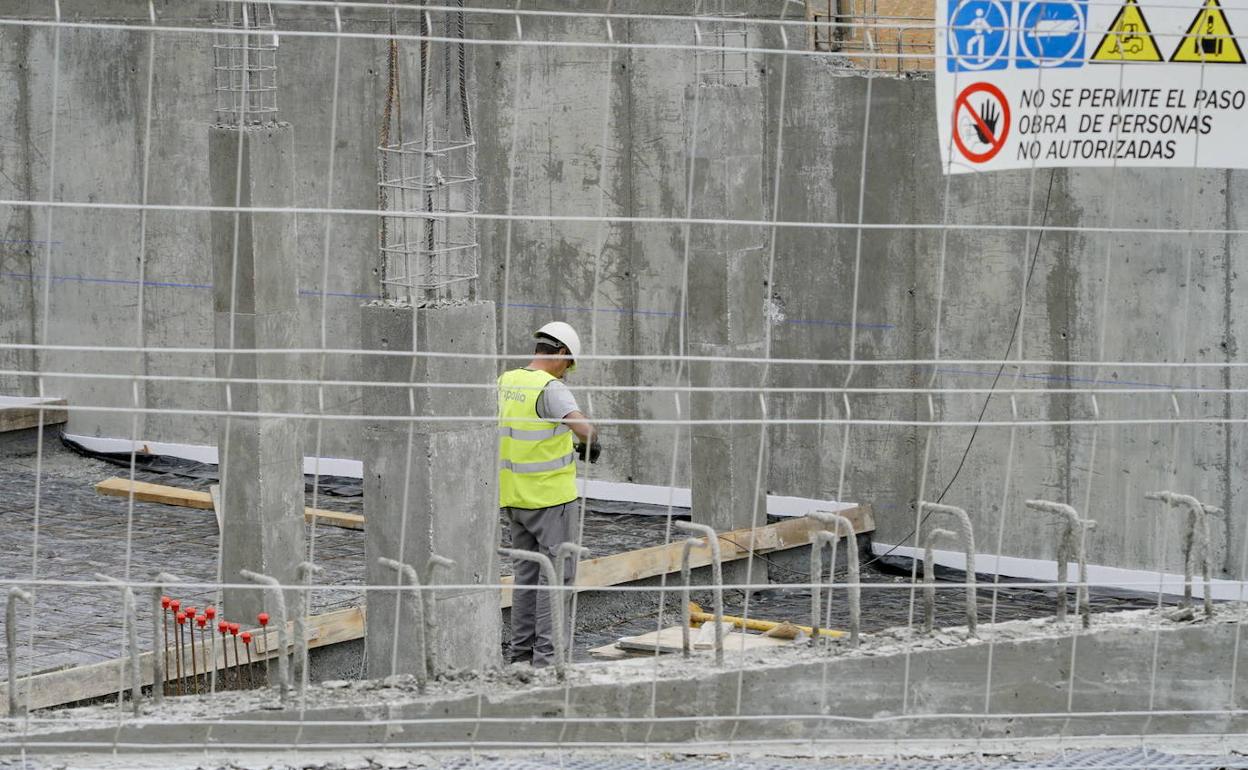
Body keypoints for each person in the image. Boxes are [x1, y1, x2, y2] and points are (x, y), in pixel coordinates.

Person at [498, 321, 599, 667]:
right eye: (568, 364)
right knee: (556, 578)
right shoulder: (550, 388)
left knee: (526, 577)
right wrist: (590, 441)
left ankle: (521, 656)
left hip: (514, 498)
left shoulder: (506, 381)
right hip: (551, 499)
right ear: (560, 354)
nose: (567, 372)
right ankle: (547, 661)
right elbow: (584, 428)